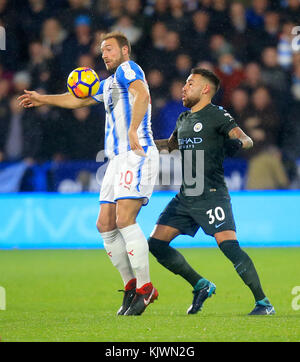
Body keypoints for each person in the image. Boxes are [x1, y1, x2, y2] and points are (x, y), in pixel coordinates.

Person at [18, 31, 159, 316]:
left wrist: (132, 129)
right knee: (105, 224)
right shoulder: (109, 84)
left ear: (125, 51)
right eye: (102, 50)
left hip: (137, 153)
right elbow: (78, 100)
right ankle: (130, 285)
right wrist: (42, 98)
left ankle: (146, 289)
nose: (104, 54)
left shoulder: (128, 69)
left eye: (109, 49)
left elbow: (142, 93)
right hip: (116, 160)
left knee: (124, 219)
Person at [151, 68, 275, 316]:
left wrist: (235, 144)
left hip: (211, 194)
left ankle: (263, 303)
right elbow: (170, 146)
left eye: (190, 83)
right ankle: (201, 285)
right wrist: (141, 146)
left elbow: (247, 139)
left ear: (205, 89)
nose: (184, 87)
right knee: (156, 244)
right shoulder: (183, 119)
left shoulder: (217, 115)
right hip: (186, 196)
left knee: (229, 246)